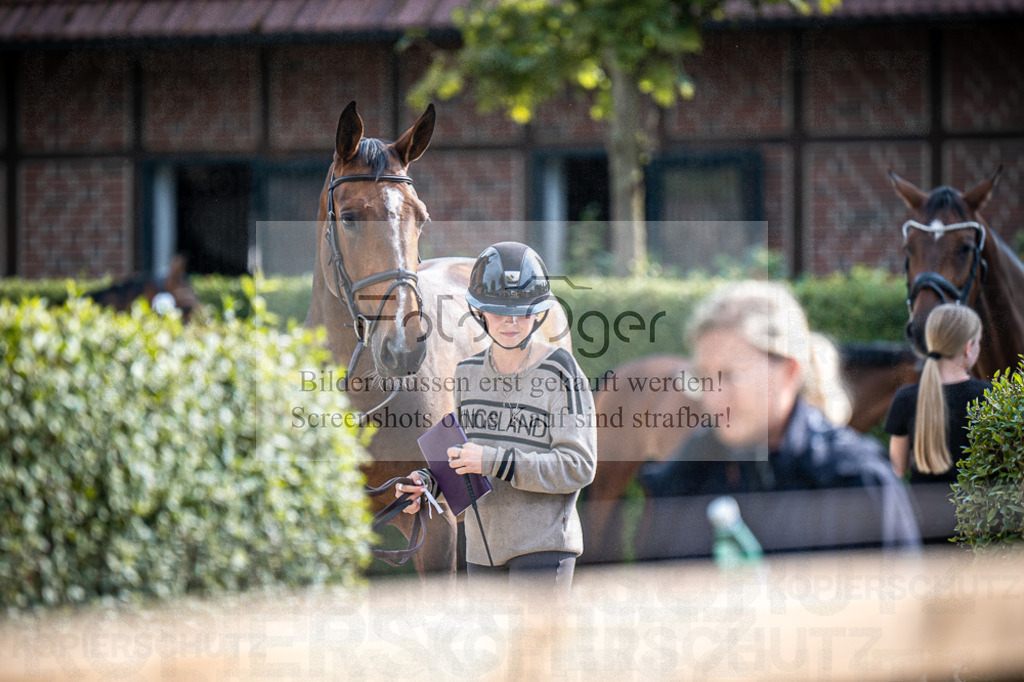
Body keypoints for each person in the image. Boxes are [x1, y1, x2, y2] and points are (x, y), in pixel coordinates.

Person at [639, 280, 921, 557]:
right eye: (703, 378)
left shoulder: (856, 481)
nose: (712, 398)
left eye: (731, 376)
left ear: (788, 372)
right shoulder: (682, 479)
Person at [397, 242, 597, 597]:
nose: (510, 322)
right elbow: (463, 460)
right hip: (482, 553)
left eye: (523, 311)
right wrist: (428, 484)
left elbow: (579, 466)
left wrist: (493, 461)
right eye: (498, 311)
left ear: (538, 314)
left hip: (544, 547)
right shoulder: (466, 373)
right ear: (479, 312)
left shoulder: (561, 371)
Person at [884, 304, 991, 483]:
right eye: (978, 342)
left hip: (921, 501)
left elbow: (899, 468)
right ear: (968, 347)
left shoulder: (905, 397)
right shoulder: (990, 396)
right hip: (976, 501)